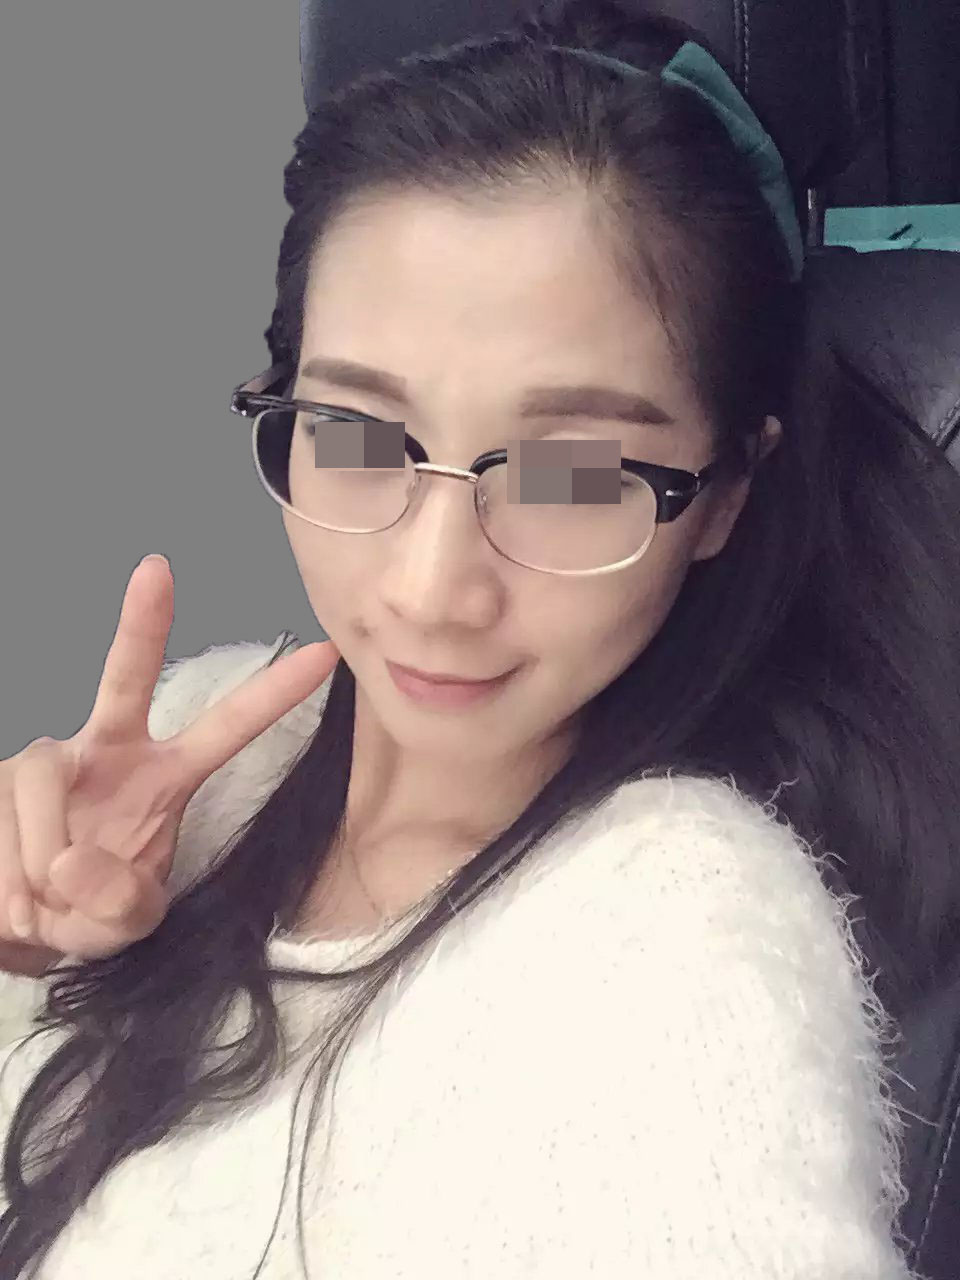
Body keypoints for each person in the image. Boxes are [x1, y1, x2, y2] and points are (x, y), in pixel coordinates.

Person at [1, 1, 958, 1274]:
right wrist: (29, 958)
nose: (433, 586)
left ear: (725, 493)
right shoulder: (198, 748)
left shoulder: (680, 952)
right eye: (355, 434)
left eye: (571, 474)